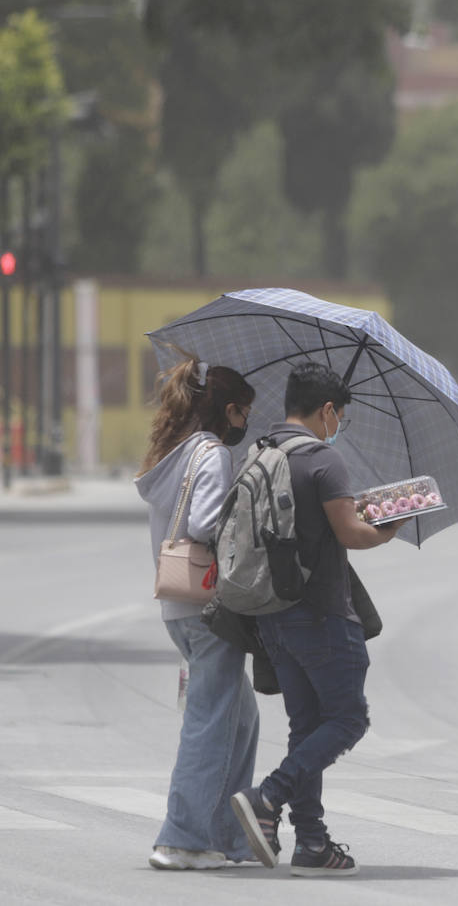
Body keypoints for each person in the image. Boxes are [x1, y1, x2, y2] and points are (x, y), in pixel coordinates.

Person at [230, 362, 405, 877]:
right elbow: (351, 534)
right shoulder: (324, 461)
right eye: (339, 416)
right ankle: (269, 797)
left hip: (271, 614)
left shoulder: (260, 452)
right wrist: (389, 526)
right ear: (327, 410)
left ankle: (312, 842)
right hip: (324, 614)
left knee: (306, 728)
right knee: (348, 719)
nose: (338, 425)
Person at [135, 356, 258, 870]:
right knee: (211, 720)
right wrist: (248, 506)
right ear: (229, 410)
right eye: (244, 413)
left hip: (178, 608)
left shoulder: (176, 451)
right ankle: (182, 839)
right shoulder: (211, 456)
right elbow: (207, 524)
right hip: (208, 607)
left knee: (241, 718)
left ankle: (228, 837)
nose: (246, 423)